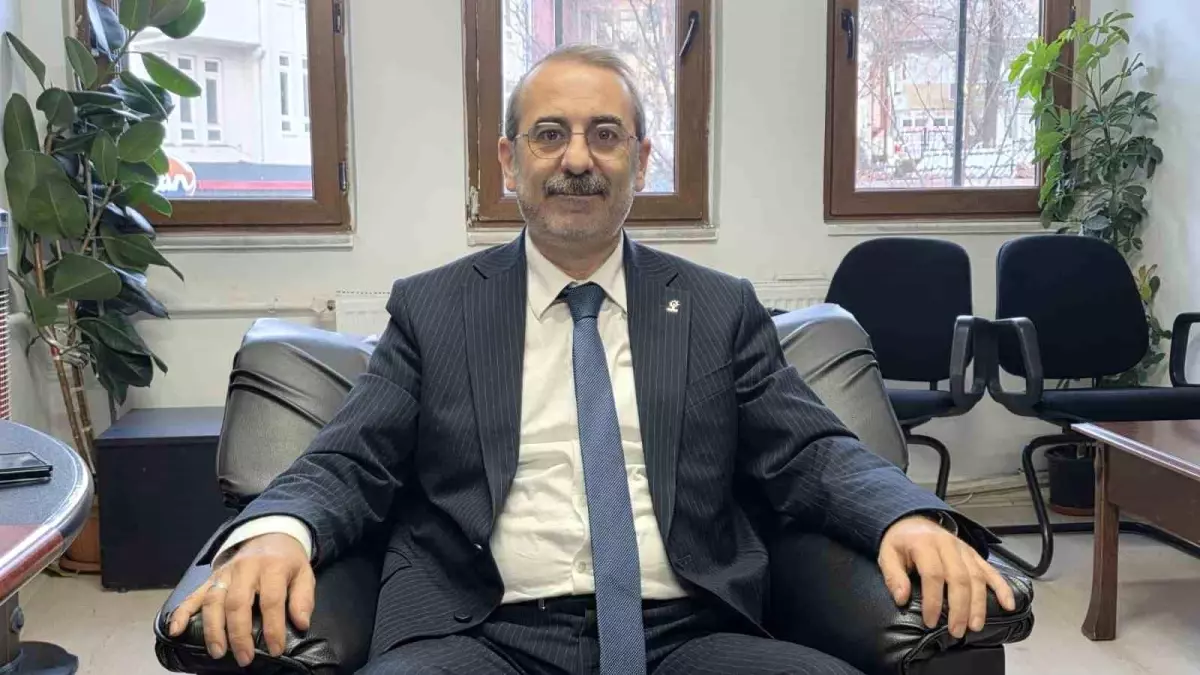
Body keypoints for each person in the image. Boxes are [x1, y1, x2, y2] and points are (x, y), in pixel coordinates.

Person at [168, 45, 1015, 675]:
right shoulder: (434, 309)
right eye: (550, 135)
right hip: (479, 629)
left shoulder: (718, 308)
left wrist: (908, 517)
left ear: (640, 162)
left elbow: (810, 450)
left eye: (605, 134)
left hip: (688, 628)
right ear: (510, 163)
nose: (577, 158)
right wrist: (278, 531)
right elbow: (351, 456)